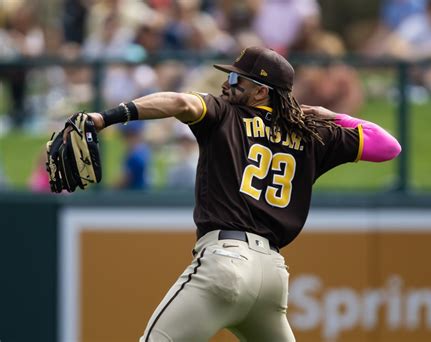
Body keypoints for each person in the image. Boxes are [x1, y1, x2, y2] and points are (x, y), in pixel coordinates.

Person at [73, 46, 401, 341]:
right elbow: (388, 146)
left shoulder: (225, 113)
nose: (227, 83)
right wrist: (331, 115)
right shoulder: (312, 133)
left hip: (226, 262)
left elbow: (180, 101)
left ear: (261, 91)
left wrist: (105, 117)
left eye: (236, 79)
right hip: (272, 279)